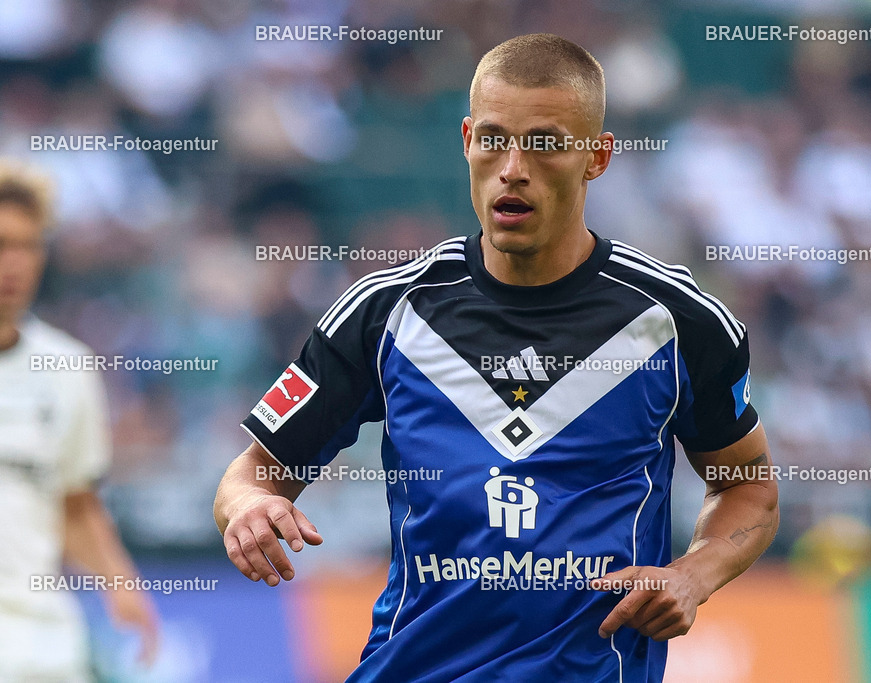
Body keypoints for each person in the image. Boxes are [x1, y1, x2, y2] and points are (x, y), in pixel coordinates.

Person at [215, 33, 778, 681]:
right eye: (493, 138)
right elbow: (250, 475)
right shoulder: (384, 312)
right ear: (465, 141)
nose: (513, 166)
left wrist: (692, 574)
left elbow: (748, 488)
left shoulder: (678, 321)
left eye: (543, 143)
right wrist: (249, 509)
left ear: (596, 156)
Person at [0, 163, 159, 681]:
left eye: (27, 245)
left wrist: (121, 585)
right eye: (1, 243)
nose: (13, 264)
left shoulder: (67, 368)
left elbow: (75, 501)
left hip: (44, 642)